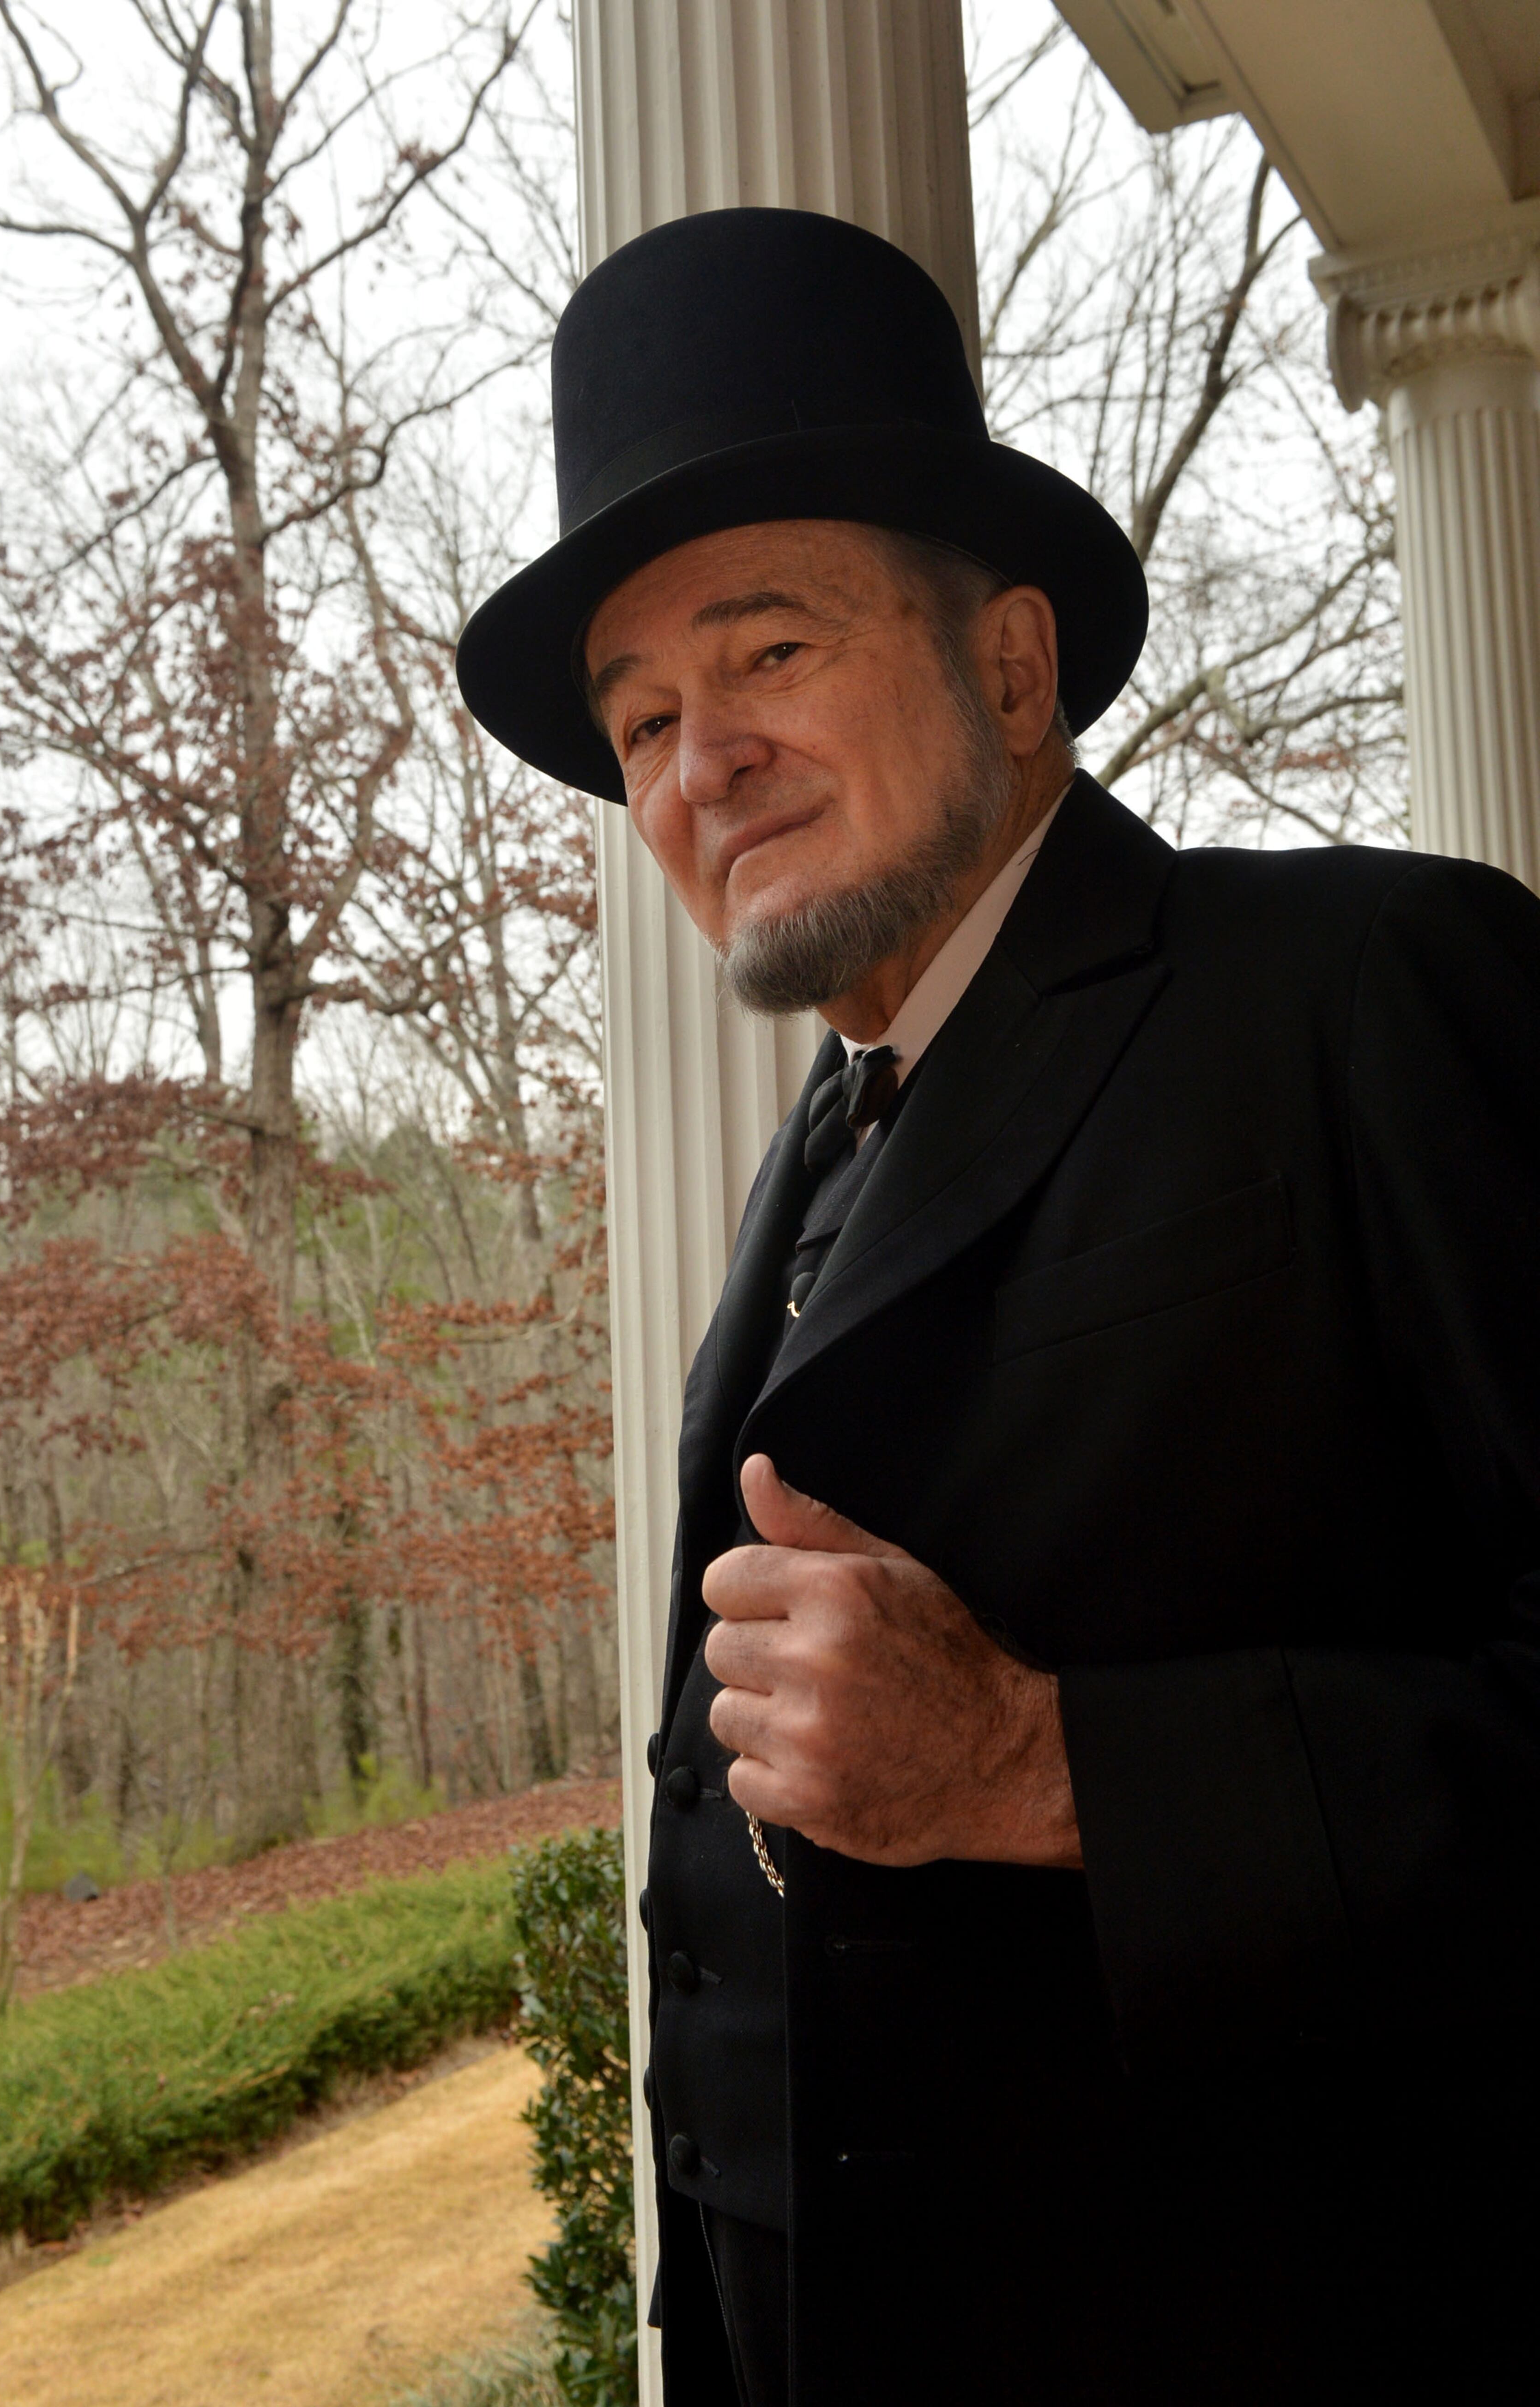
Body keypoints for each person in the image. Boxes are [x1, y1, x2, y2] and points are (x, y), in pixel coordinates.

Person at [456, 208, 1540, 2407]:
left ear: (1015, 669)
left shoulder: (1382, 990)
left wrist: (1047, 1765)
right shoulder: (819, 1150)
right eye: (641, 719)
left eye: (767, 653)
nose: (695, 763)